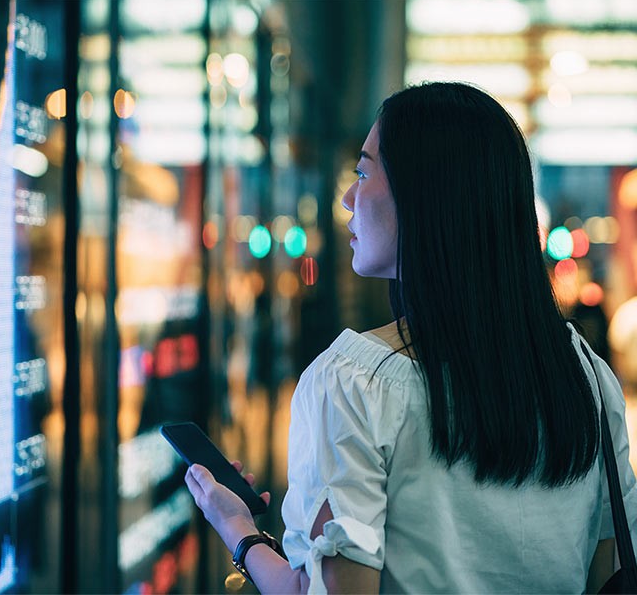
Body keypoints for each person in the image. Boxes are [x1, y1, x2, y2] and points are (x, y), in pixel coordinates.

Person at [184, 81, 637, 593]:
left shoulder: (355, 384)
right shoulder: (586, 376)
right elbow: (607, 573)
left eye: (362, 172)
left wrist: (238, 530)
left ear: (426, 194)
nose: (349, 197)